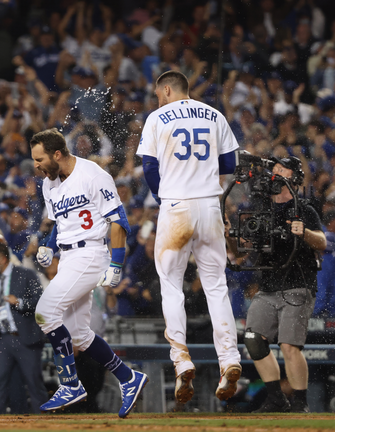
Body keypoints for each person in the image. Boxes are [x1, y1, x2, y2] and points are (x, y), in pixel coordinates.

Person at [135, 70, 242, 407]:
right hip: (210, 205)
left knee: (171, 286)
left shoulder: (156, 118)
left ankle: (182, 360)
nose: (157, 99)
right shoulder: (214, 114)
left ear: (166, 89)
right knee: (216, 287)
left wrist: (166, 196)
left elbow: (150, 168)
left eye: (158, 93)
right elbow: (230, 163)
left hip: (176, 206)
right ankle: (229, 359)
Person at [31, 128, 148, 418]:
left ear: (57, 154)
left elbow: (119, 220)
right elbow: (61, 220)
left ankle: (70, 384)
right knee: (79, 335)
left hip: (91, 253)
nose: (36, 165)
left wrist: (117, 263)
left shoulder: (93, 174)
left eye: (40, 159)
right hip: (69, 255)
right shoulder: (49, 183)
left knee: (45, 313)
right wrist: (49, 246)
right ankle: (128, 378)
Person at [237, 157, 326, 413]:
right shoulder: (262, 209)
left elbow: (321, 242)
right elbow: (243, 251)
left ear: (294, 178)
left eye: (281, 169)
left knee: (289, 346)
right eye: (274, 168)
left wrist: (304, 232)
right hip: (268, 287)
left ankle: (300, 403)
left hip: (298, 284)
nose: (275, 172)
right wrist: (231, 235)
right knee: (253, 339)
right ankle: (276, 398)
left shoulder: (304, 208)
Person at [0, 243, 48, 414]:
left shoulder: (26, 274)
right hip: (3, 339)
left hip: (26, 337)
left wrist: (20, 302)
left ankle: (45, 422)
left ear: (2, 259)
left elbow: (40, 302)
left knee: (33, 382)